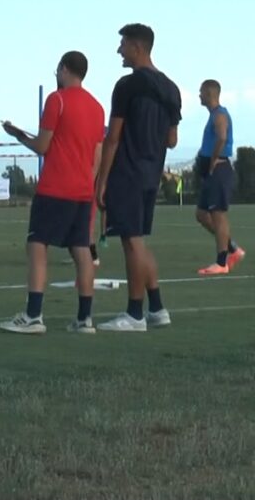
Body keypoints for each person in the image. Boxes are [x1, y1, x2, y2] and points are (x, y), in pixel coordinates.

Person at [0, 51, 106, 334]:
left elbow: (42, 147)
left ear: (64, 69)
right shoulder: (97, 108)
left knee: (37, 245)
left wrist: (18, 135)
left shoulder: (56, 100)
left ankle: (34, 315)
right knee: (82, 250)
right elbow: (97, 154)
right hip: (83, 190)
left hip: (55, 187)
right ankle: (85, 319)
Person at [95, 23, 182, 332]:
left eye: (122, 44)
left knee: (131, 243)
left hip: (127, 172)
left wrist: (101, 180)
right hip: (151, 174)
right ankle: (157, 308)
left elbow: (113, 137)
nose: (119, 51)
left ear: (137, 46)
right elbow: (172, 140)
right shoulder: (171, 89)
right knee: (139, 241)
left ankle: (134, 314)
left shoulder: (127, 86)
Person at [195, 79, 245, 275]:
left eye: (201, 92)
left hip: (220, 171)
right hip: (211, 173)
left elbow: (222, 138)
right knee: (201, 214)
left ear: (209, 93)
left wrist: (214, 160)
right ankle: (233, 248)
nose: (199, 95)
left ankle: (221, 262)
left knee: (218, 215)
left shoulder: (220, 115)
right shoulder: (213, 115)